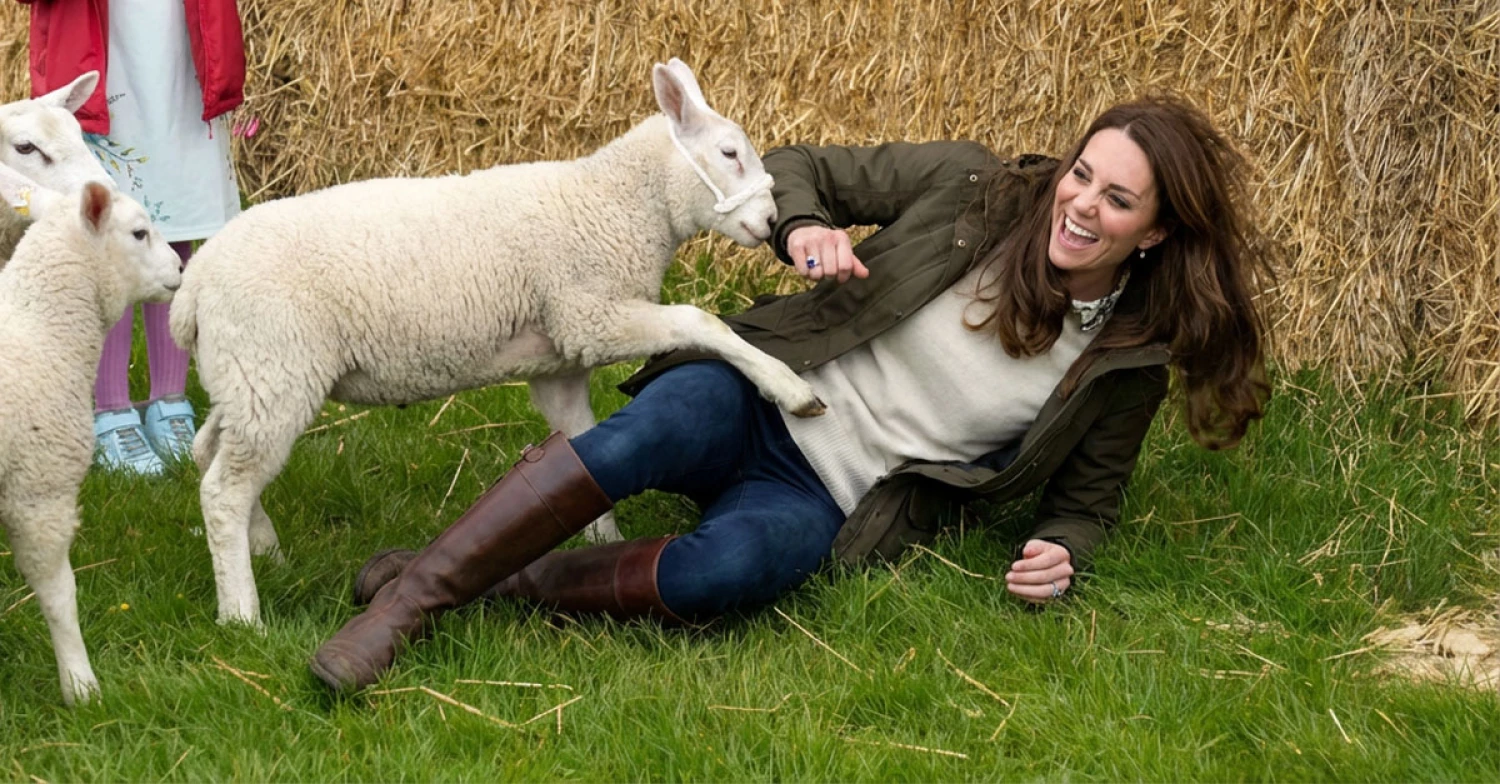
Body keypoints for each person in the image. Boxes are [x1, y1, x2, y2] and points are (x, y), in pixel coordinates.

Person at [309, 96, 1273, 692]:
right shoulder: (973, 187)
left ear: (1154, 233)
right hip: (765, 394)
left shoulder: (1125, 361)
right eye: (1082, 174)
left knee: (725, 575)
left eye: (1117, 200)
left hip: (831, 495)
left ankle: (493, 579)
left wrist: (1061, 549)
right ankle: (410, 606)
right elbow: (801, 168)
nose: (1082, 204)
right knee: (654, 428)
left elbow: (1087, 502)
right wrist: (802, 226)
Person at [20, 0, 246, 474]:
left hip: (177, 36)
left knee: (177, 209)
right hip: (99, 43)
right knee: (105, 222)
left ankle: (170, 398)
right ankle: (110, 409)